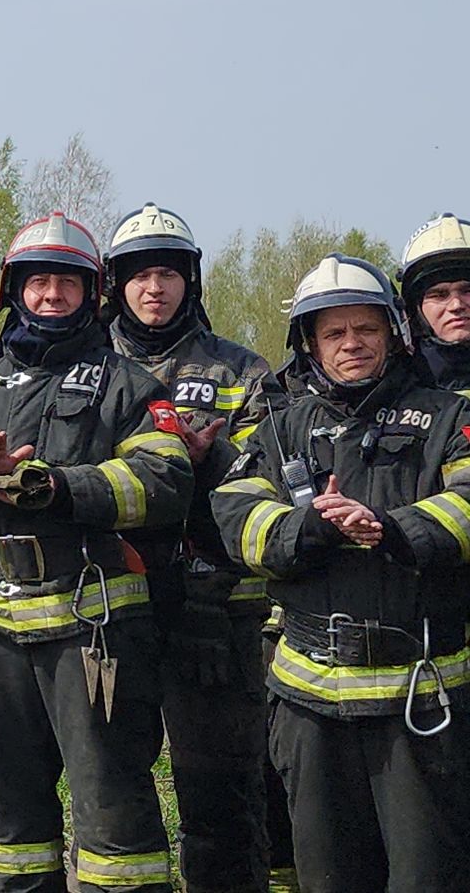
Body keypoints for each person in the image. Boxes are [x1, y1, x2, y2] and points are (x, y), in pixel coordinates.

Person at [0, 212, 193, 893]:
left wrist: (56, 487)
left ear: (93, 295)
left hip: (94, 629)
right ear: (14, 293)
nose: (51, 296)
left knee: (112, 805)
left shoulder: (130, 387)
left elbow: (165, 481)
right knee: (7, 811)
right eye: (37, 283)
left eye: (66, 282)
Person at [214, 254, 470, 893]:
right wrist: (317, 528)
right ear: (310, 344)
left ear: (393, 333)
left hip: (422, 696)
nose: (351, 344)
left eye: (366, 329)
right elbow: (235, 514)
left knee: (428, 876)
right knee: (328, 875)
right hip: (310, 706)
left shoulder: (446, 415)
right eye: (334, 333)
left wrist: (388, 526)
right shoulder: (280, 427)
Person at [102, 203, 280, 892]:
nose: (156, 288)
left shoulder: (240, 368)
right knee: (114, 782)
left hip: (217, 615)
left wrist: (205, 463)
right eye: (141, 274)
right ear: (116, 284)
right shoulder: (88, 364)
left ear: (191, 281)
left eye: (170, 273)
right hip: (112, 607)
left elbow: (264, 472)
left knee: (222, 794)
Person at [398, 212, 470, 395]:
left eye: (467, 291)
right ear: (415, 311)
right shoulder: (391, 391)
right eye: (439, 295)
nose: (456, 305)